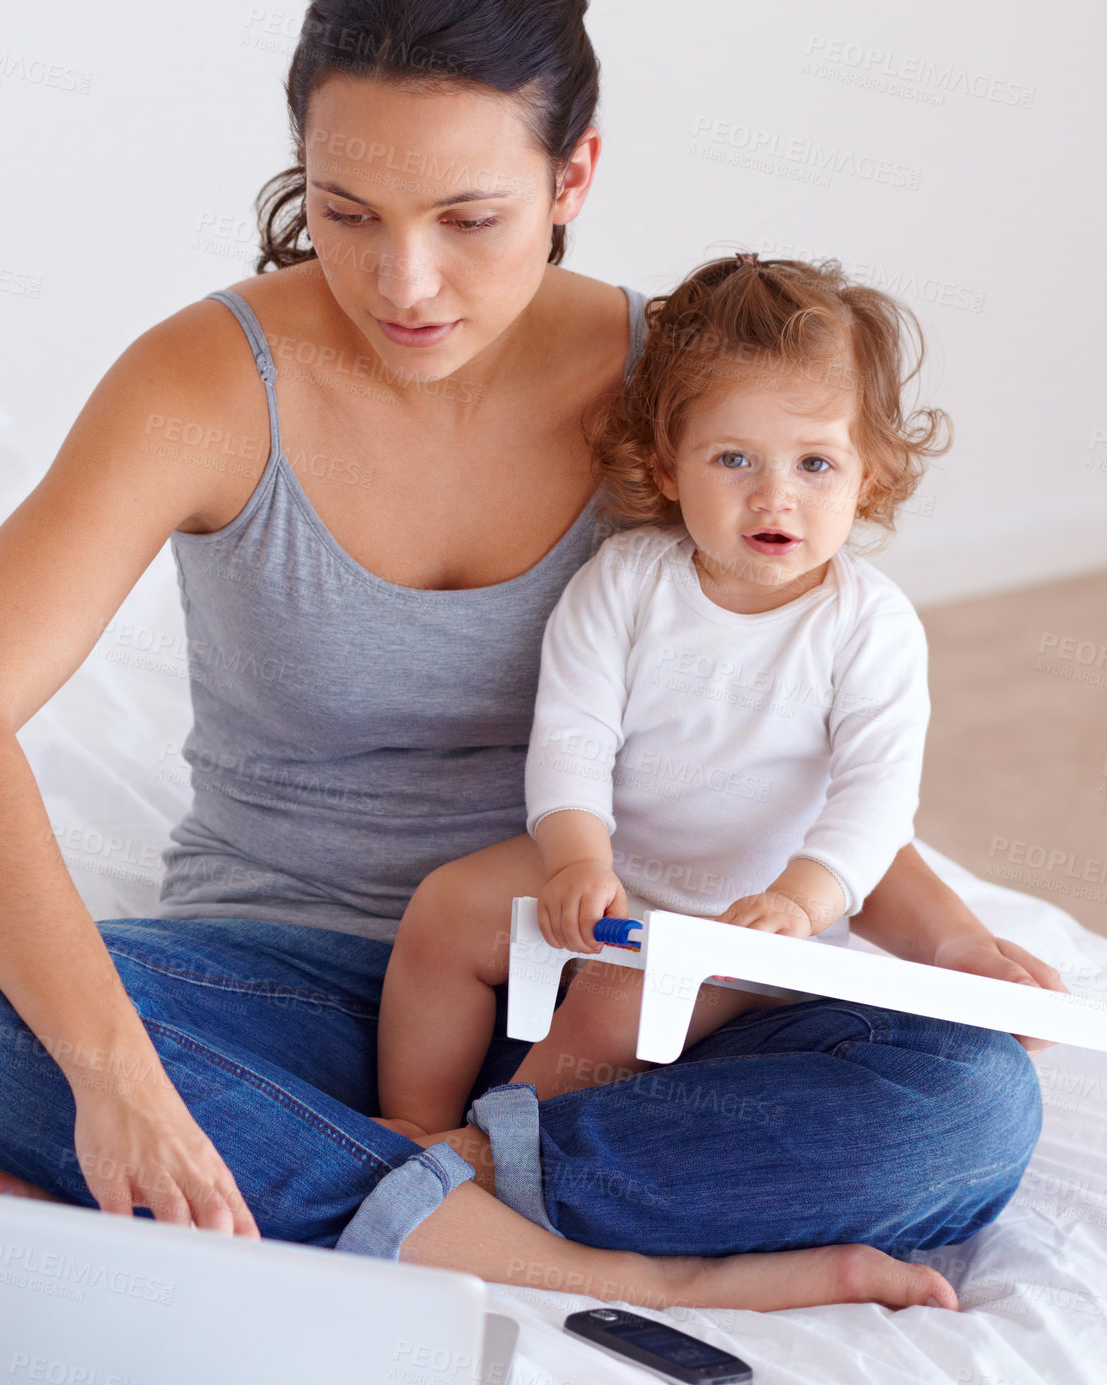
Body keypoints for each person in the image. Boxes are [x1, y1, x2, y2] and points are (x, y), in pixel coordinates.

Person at [0, 0, 1061, 1316]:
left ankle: (349, 1191)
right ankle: (633, 1268)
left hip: (620, 978)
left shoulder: (681, 393)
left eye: (468, 219)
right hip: (299, 986)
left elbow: (774, 722)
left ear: (573, 179)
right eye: (348, 213)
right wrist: (116, 1081)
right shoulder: (206, 383)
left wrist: (944, 936)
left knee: (965, 1106)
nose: (403, 284)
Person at [375, 251, 950, 1136]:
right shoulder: (626, 580)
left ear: (867, 475)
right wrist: (574, 859)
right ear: (669, 466)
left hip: (751, 910)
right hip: (618, 865)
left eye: (815, 465)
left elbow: (876, 798)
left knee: (620, 998)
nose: (774, 495)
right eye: (733, 457)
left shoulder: (868, 626)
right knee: (443, 911)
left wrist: (798, 901)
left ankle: (486, 1154)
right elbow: (572, 735)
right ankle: (408, 1126)